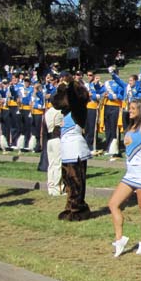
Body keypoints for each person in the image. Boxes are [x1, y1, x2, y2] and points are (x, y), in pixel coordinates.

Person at [107, 80, 141, 257]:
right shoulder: (130, 127)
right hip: (130, 173)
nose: (130, 110)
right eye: (130, 108)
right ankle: (120, 239)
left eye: (134, 108)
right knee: (113, 204)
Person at [52, 72, 92, 221]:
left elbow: (75, 97)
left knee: (76, 179)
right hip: (66, 144)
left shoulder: (78, 107)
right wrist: (61, 88)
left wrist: (69, 85)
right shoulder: (66, 109)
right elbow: (56, 102)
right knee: (67, 178)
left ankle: (79, 208)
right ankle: (70, 205)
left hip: (76, 146)